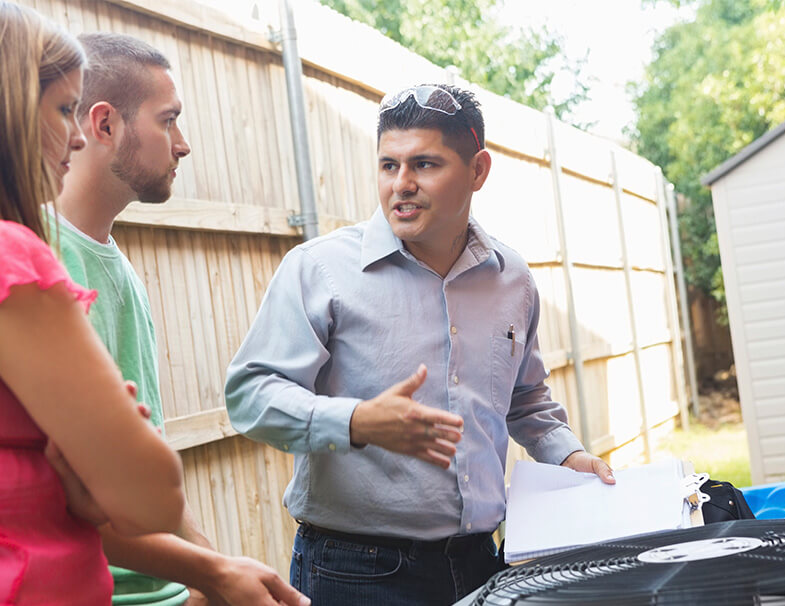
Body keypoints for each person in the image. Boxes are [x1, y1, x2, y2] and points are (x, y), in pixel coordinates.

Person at [225, 83, 616, 605]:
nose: (401, 184)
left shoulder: (512, 279)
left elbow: (524, 400)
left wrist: (568, 456)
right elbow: (250, 395)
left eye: (425, 165)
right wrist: (356, 421)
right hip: (356, 573)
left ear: (478, 170)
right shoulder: (320, 269)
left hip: (482, 562)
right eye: (389, 165)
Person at [52, 31, 310, 606]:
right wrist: (211, 573)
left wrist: (208, 572)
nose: (183, 144)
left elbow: (142, 454)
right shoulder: (39, 267)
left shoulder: (119, 269)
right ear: (104, 124)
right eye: (168, 121)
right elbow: (58, 490)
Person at [0, 3, 185, 603]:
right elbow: (152, 496)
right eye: (62, 109)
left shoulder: (117, 269)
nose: (75, 134)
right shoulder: (18, 260)